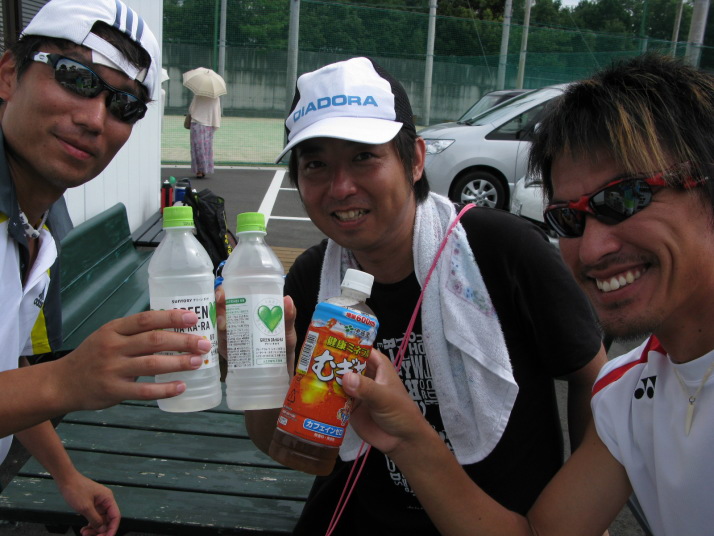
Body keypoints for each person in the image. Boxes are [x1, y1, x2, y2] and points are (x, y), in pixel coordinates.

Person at [340, 53, 714, 536]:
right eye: (568, 219)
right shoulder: (631, 393)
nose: (593, 248)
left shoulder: (501, 246)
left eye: (625, 198)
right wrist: (409, 435)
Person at [235, 56, 607, 535]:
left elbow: (593, 375)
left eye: (364, 157)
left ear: (414, 160)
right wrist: (260, 369)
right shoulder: (310, 280)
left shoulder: (503, 251)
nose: (340, 188)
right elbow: (283, 446)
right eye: (315, 165)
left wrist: (584, 510)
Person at [0, 1, 214, 534]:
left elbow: (11, 373)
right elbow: (44, 381)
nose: (94, 119)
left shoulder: (38, 230)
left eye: (125, 105)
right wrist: (64, 381)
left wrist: (66, 474)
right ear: (8, 75)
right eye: (75, 78)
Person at [188, 93, 221, 178]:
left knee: (197, 148)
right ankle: (203, 169)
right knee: (206, 148)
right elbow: (216, 111)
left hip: (197, 123)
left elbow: (191, 109)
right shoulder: (215, 96)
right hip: (208, 124)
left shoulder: (198, 94)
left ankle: (199, 170)